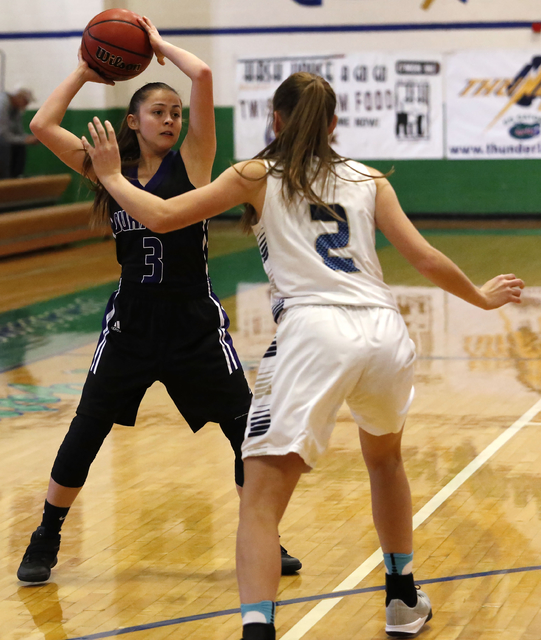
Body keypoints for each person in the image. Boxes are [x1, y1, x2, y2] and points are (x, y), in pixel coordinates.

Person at [81, 71, 524, 639]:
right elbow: (427, 257)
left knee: (260, 499)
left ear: (276, 119)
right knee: (385, 461)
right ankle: (401, 598)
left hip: (314, 331)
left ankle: (258, 631)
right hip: (385, 332)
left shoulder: (255, 173)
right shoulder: (368, 178)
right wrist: (482, 298)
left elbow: (164, 218)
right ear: (335, 124)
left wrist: (113, 175)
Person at [16, 17, 301, 585]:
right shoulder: (107, 167)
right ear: (133, 121)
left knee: (244, 428)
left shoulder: (194, 161)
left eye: (175, 112)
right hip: (131, 324)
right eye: (158, 112)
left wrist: (156, 46)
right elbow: (42, 123)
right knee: (87, 427)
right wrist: (85, 67)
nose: (171, 119)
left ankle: (263, 532)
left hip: (196, 319)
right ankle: (46, 533)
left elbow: (202, 73)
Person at [0, 87, 39, 178]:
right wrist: (24, 140)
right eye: (26, 101)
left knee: (19, 146)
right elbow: (2, 133)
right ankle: (5, 178)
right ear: (19, 97)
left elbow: (18, 132)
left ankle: (16, 177)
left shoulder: (16, 108)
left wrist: (28, 139)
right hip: (2, 141)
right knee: (4, 145)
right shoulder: (2, 104)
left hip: (5, 138)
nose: (26, 105)